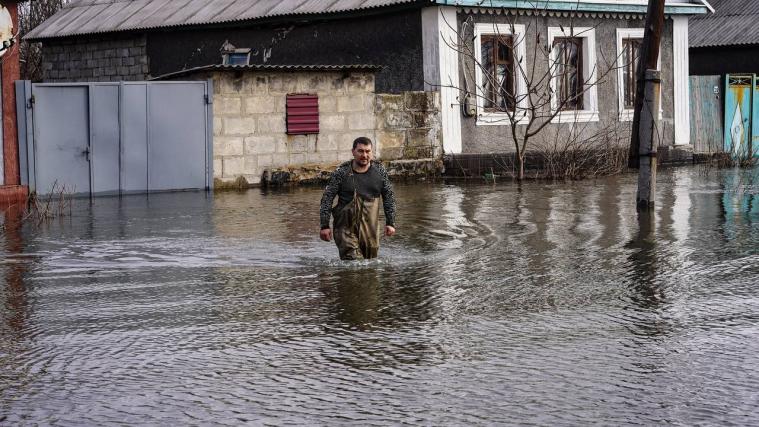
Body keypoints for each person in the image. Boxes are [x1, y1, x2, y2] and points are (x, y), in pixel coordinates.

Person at [319, 137, 396, 260]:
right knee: (353, 263)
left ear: (372, 152)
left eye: (367, 151)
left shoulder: (380, 171)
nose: (364, 155)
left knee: (370, 265)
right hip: (345, 229)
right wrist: (324, 225)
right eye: (360, 151)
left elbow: (389, 197)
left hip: (370, 229)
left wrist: (390, 222)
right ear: (353, 152)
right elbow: (327, 199)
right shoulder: (341, 172)